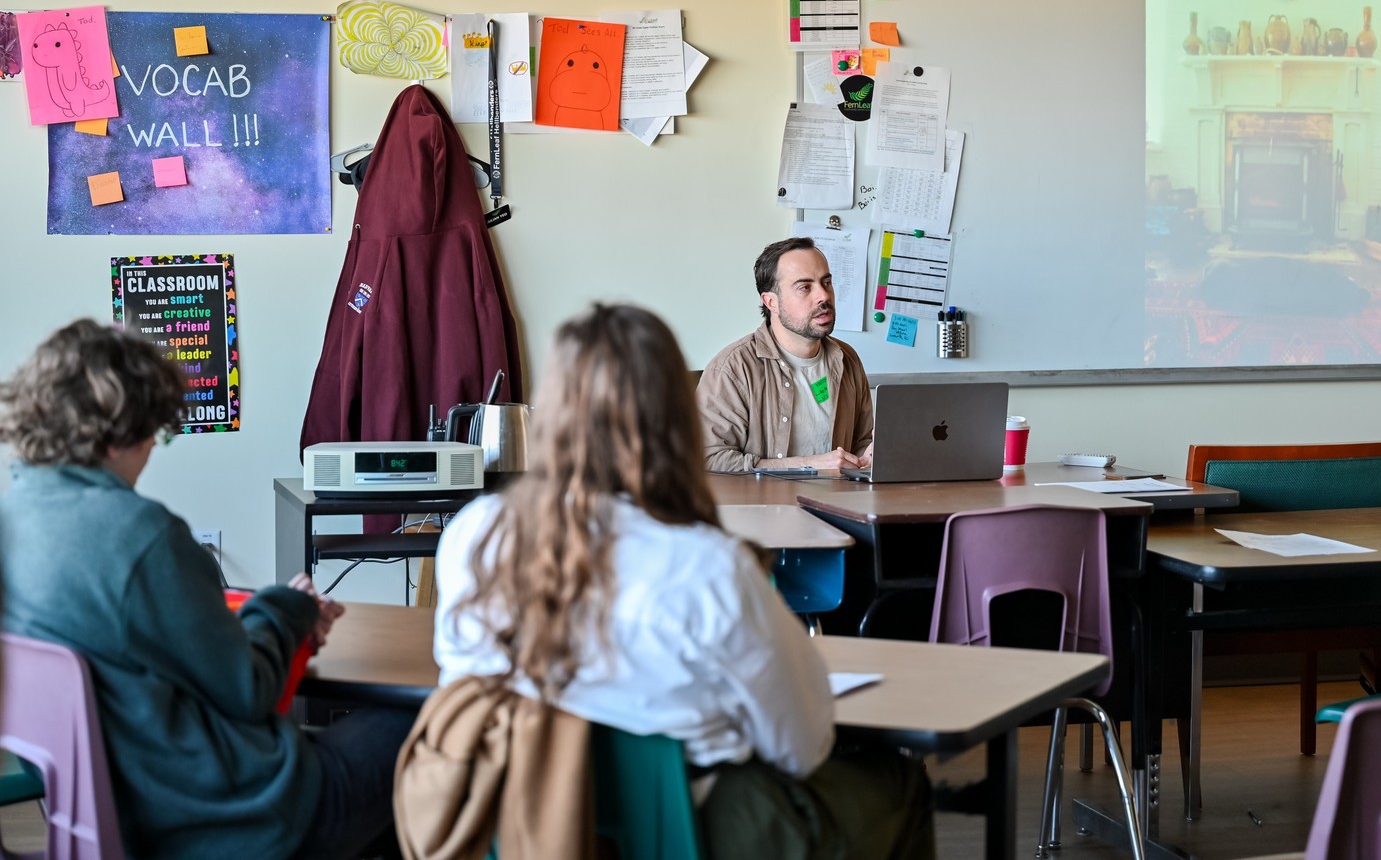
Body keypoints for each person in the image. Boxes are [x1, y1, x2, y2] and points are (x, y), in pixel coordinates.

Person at [433, 303, 933, 859]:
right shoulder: (707, 564)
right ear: (675, 415)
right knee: (899, 785)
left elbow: (464, 684)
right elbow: (800, 747)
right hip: (694, 825)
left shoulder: (474, 534)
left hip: (524, 819)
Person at [0, 319, 413, 859]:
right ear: (123, 428)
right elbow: (249, 690)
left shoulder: (14, 515)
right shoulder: (139, 535)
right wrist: (287, 609)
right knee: (433, 725)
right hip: (232, 817)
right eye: (155, 430)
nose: (152, 449)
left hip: (112, 811)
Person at [697, 237, 874, 472]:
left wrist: (870, 455)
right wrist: (808, 465)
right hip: (765, 506)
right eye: (805, 287)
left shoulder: (847, 359)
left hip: (839, 504)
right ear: (771, 302)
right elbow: (708, 458)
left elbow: (861, 442)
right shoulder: (732, 369)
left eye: (827, 282)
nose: (823, 296)